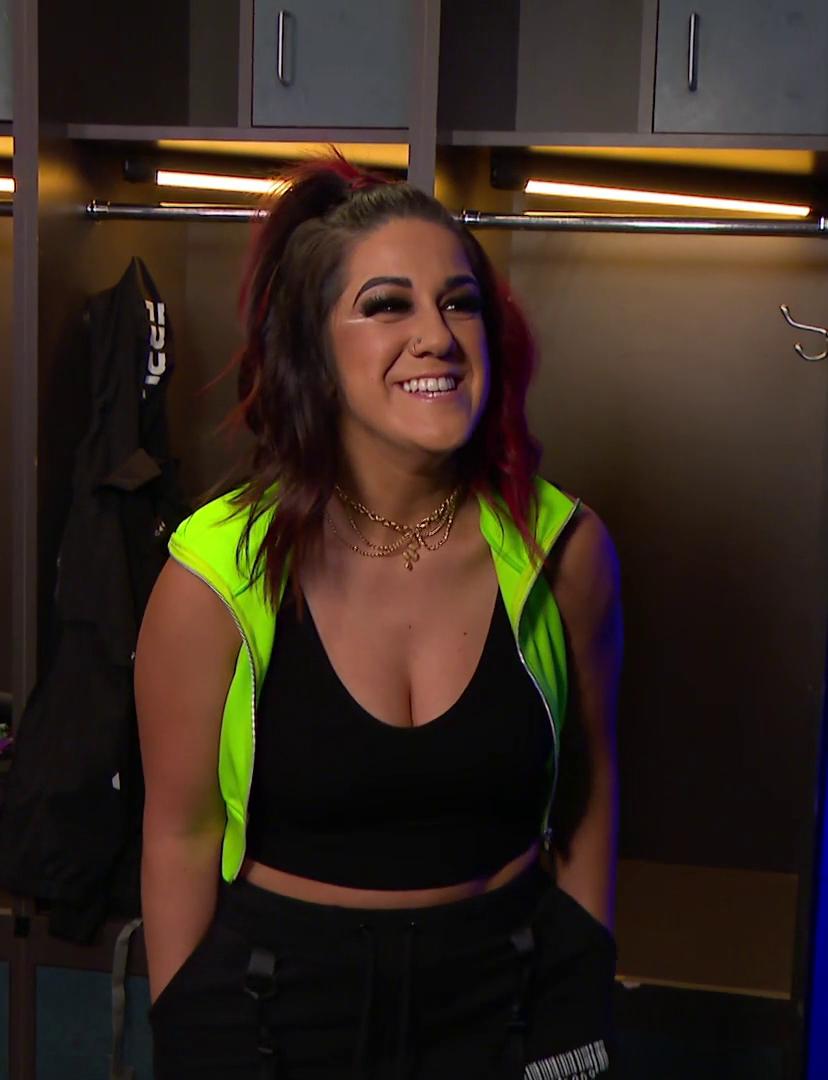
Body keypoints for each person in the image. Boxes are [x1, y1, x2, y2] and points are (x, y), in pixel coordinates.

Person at [133, 155, 625, 1080]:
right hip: (277, 1014)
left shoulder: (565, 549)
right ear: (313, 349)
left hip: (509, 997)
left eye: (460, 303)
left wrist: (580, 996)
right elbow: (179, 834)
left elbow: (591, 798)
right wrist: (188, 1031)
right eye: (387, 305)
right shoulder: (214, 572)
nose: (436, 336)